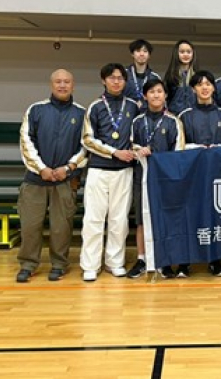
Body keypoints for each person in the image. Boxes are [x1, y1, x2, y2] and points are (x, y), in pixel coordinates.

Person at [16, 69, 88, 283]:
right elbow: (25, 141)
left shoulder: (81, 114)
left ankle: (59, 264)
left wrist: (67, 168)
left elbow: (86, 146)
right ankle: (28, 264)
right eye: (58, 81)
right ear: (51, 85)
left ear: (73, 85)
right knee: (30, 225)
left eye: (66, 82)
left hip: (65, 180)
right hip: (35, 180)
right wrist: (41, 169)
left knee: (61, 227)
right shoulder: (36, 110)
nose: (62, 85)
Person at [80, 63, 140, 282]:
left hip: (124, 171)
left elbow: (138, 134)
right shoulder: (95, 107)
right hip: (98, 169)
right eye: (112, 78)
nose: (116, 81)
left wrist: (132, 151)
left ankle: (115, 262)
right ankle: (90, 265)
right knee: (93, 219)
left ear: (125, 81)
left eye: (120, 78)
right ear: (103, 80)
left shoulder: (133, 106)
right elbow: (87, 139)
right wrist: (114, 152)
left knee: (119, 220)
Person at [178, 70, 221, 276]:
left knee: (216, 217)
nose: (204, 87)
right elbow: (178, 145)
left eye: (208, 84)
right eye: (200, 84)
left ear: (214, 87)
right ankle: (185, 261)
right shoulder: (184, 116)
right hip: (192, 175)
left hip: (217, 175)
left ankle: (215, 261)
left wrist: (218, 149)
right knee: (189, 215)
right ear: (193, 89)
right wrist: (196, 148)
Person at [128, 78, 185, 280]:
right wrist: (139, 150)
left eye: (159, 91)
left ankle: (165, 259)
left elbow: (179, 151)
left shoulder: (174, 121)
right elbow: (130, 145)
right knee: (141, 219)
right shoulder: (137, 121)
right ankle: (142, 259)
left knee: (165, 217)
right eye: (151, 92)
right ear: (145, 96)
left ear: (165, 95)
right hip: (142, 176)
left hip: (165, 178)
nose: (156, 95)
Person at [124, 38, 161, 110]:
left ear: (149, 55)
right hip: (126, 113)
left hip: (147, 113)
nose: (141, 54)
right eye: (138, 51)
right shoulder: (123, 74)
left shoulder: (155, 77)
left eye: (145, 51)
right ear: (132, 54)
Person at [164, 39, 197, 115]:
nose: (185, 55)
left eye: (188, 52)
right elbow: (165, 98)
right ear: (176, 54)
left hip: (193, 116)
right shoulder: (170, 76)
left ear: (193, 54)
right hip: (174, 115)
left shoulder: (197, 76)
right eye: (182, 52)